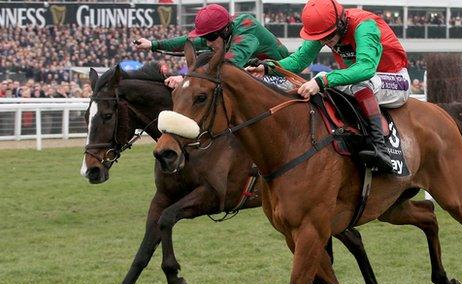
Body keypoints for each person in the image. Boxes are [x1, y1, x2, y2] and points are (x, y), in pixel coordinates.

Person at [246, 0, 410, 173]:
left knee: (332, 79)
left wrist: (323, 82)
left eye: (328, 37)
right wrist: (268, 67)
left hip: (396, 80)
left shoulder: (364, 25)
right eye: (321, 38)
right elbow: (299, 60)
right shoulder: (325, 28)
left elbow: (366, 68)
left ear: (340, 23)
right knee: (324, 81)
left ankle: (380, 149)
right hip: (360, 83)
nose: (325, 41)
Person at [134, 4, 290, 89]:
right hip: (255, 71)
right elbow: (187, 40)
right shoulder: (219, 32)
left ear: (226, 30)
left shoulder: (245, 36)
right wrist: (152, 45)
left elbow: (226, 67)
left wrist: (184, 79)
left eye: (209, 37)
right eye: (204, 37)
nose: (207, 42)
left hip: (282, 77)